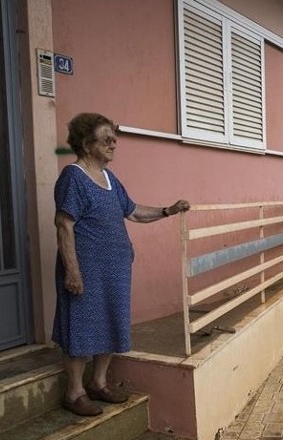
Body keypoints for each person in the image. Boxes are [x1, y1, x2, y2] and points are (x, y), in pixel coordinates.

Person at [54, 113, 190, 417]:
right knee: (80, 325)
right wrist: (72, 271)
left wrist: (168, 210)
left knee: (112, 321)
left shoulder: (110, 179)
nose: (114, 143)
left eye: (114, 138)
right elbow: (64, 225)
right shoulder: (73, 177)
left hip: (114, 270)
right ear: (87, 145)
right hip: (86, 270)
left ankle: (99, 383)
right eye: (107, 139)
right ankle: (74, 391)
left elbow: (133, 212)